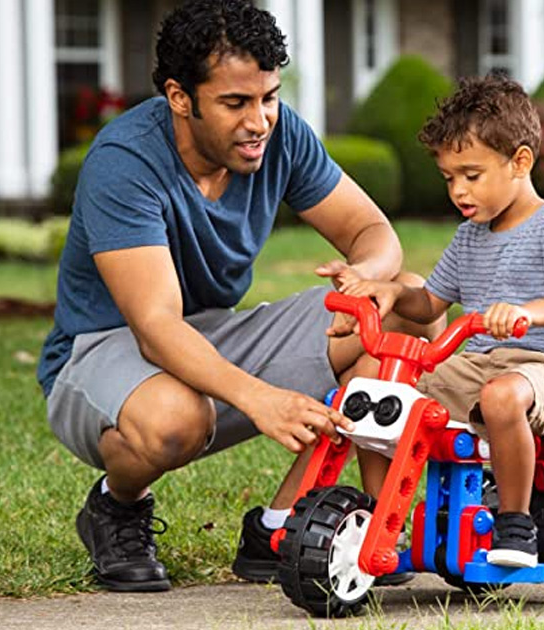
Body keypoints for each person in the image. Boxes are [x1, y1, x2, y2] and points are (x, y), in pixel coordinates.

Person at [36, 0, 432, 592]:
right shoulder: (125, 163)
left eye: (268, 97)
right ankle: (116, 508)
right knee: (176, 420)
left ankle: (283, 528)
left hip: (213, 330)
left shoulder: (280, 136)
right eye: (235, 103)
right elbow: (155, 325)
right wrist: (260, 399)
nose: (260, 120)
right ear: (179, 97)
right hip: (103, 350)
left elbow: (372, 233)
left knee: (406, 304)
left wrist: (371, 278)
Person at [339, 73, 544, 568]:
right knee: (372, 390)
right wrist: (393, 291)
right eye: (449, 178)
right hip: (478, 364)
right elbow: (430, 306)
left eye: (472, 175)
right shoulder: (469, 236)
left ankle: (515, 522)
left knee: (501, 396)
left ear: (520, 161)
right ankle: (379, 520)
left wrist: (526, 312)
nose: (458, 190)